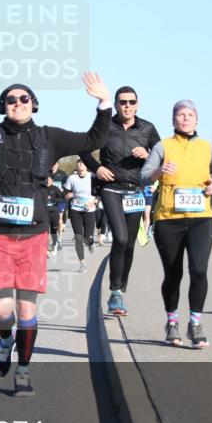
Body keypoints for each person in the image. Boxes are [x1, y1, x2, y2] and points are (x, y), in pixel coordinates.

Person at [0, 72, 111, 395]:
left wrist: (104, 103)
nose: (18, 103)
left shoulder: (49, 137)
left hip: (34, 235)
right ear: (3, 106)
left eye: (24, 99)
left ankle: (23, 370)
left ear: (33, 104)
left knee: (27, 310)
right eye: (11, 100)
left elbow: (92, 141)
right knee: (1, 311)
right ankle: (4, 341)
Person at [141, 100, 212, 349]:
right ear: (173, 120)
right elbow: (144, 175)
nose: (185, 119)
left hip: (201, 218)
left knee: (199, 270)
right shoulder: (162, 146)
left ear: (197, 120)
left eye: (189, 115)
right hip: (169, 219)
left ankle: (195, 323)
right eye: (180, 115)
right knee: (173, 274)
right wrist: (159, 171)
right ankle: (172, 321)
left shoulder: (209, 147)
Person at [79, 86, 160, 315]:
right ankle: (115, 292)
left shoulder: (148, 128)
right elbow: (84, 150)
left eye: (131, 102)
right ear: (115, 105)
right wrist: (98, 168)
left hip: (135, 190)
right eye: (122, 102)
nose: (127, 105)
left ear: (137, 104)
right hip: (111, 189)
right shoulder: (105, 127)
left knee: (130, 244)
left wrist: (148, 156)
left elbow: (163, 155)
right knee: (121, 238)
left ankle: (120, 291)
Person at [64, 160, 98, 273]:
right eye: (78, 163)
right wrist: (67, 195)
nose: (80, 165)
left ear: (86, 165)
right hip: (75, 210)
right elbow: (65, 192)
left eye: (83, 163)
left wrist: (94, 202)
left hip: (89, 210)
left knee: (87, 238)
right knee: (78, 237)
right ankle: (82, 263)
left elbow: (100, 193)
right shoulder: (72, 178)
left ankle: (91, 242)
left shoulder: (93, 177)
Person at [43, 176, 65, 256]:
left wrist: (53, 199)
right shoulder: (42, 188)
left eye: (48, 180)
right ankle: (46, 249)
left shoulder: (55, 189)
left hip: (53, 212)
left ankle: (54, 246)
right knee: (45, 231)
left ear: (52, 181)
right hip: (44, 212)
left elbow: (63, 199)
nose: (47, 181)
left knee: (53, 230)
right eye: (46, 179)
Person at [49, 160, 68, 250]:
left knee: (59, 220)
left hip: (60, 200)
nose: (53, 165)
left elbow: (68, 186)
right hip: (49, 201)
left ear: (58, 164)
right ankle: (53, 240)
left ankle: (59, 239)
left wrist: (64, 192)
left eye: (55, 164)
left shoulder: (63, 174)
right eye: (52, 163)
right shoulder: (46, 173)